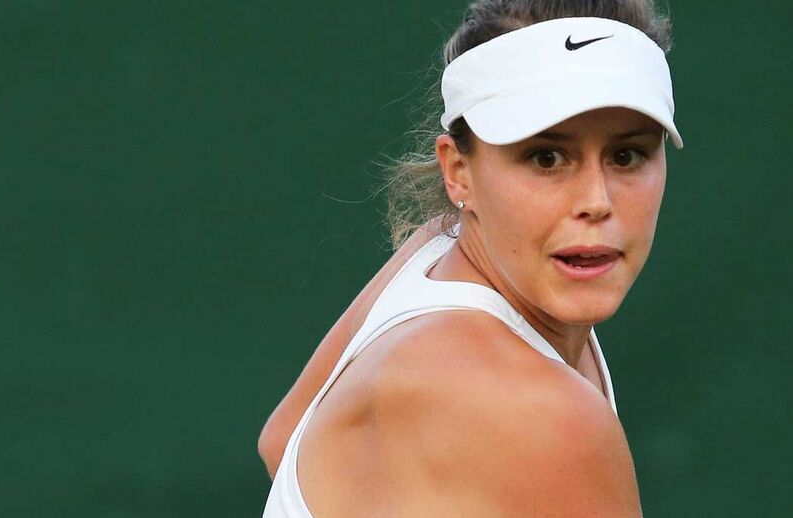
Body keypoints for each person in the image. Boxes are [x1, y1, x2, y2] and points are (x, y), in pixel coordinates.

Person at [260, 0, 683, 515]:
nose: (597, 201)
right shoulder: (540, 413)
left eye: (626, 155)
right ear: (458, 172)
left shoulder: (438, 245)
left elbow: (284, 440)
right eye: (546, 157)